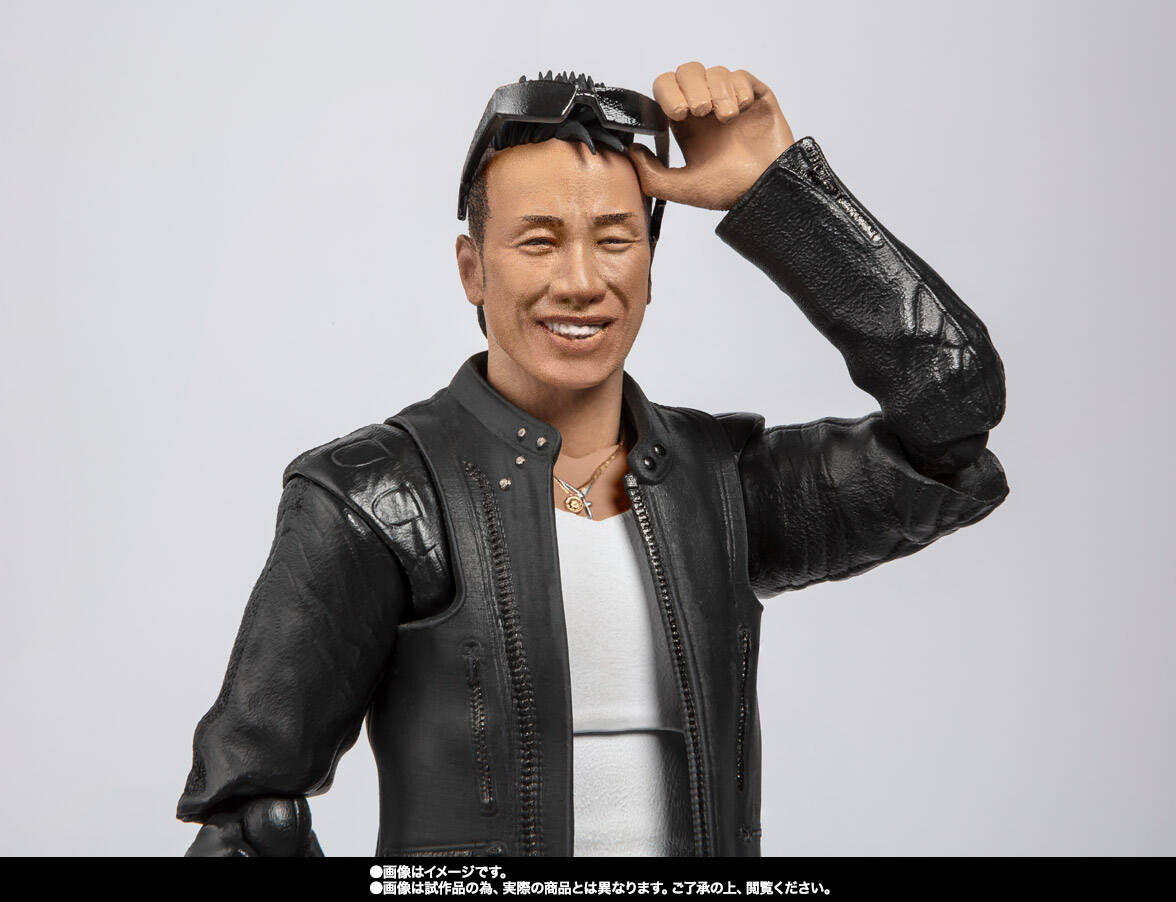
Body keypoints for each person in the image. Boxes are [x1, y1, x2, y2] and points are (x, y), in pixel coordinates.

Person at [177, 62, 1008, 857]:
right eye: (538, 242)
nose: (580, 281)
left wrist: (781, 197)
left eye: (614, 240)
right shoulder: (379, 498)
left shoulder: (718, 485)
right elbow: (249, 820)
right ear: (472, 269)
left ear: (649, 266)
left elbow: (950, 415)